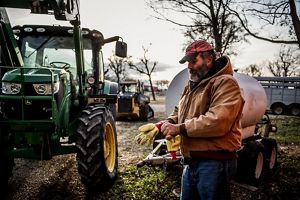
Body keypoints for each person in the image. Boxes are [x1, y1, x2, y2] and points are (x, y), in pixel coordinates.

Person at [161, 40, 245, 200]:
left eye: (193, 61)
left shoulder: (226, 83)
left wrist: (180, 128)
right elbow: (181, 110)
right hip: (191, 160)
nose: (189, 67)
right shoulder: (193, 85)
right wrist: (170, 122)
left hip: (214, 162)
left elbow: (218, 121)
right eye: (188, 62)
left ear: (209, 59)